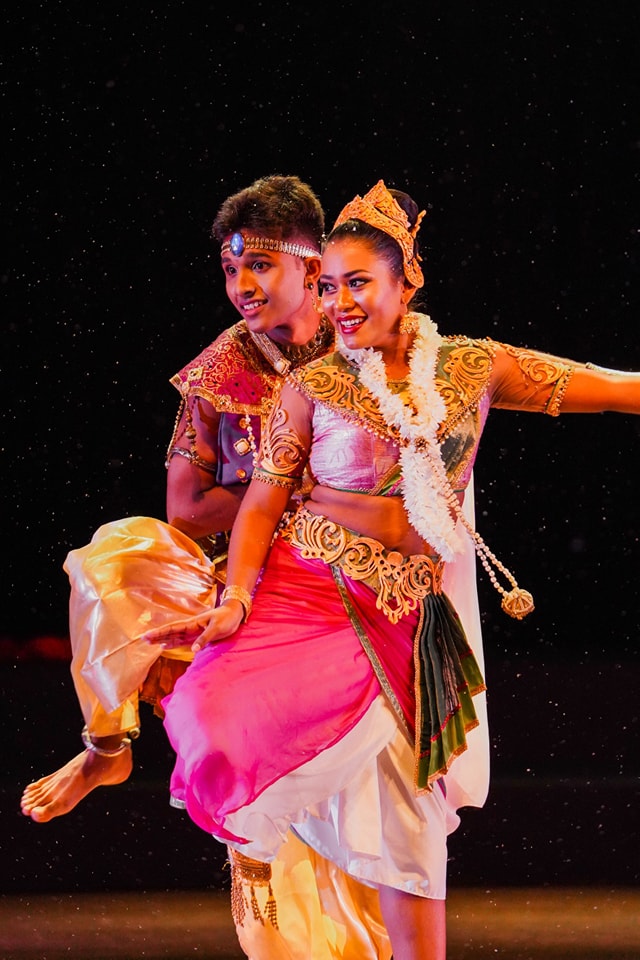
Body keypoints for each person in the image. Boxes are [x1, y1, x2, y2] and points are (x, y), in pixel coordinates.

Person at [151, 180, 640, 960]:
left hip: (409, 618)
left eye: (358, 284)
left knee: (410, 815)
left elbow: (613, 390)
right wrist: (237, 595)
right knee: (216, 725)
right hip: (312, 594)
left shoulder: (474, 367)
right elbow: (261, 505)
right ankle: (253, 852)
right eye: (330, 286)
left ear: (407, 281)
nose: (340, 304)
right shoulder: (313, 386)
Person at [20, 175, 392, 960]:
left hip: (344, 593)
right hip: (237, 592)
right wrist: (287, 488)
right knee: (116, 555)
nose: (242, 285)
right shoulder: (220, 371)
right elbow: (185, 509)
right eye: (229, 269)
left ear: (312, 264)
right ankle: (107, 746)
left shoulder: (364, 345)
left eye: (259, 264)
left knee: (347, 821)